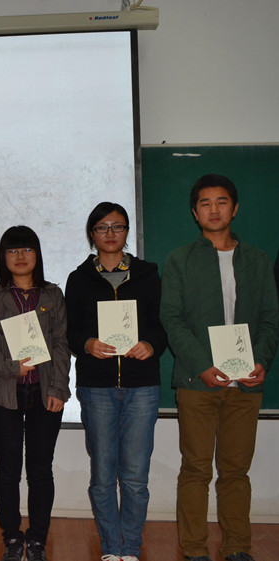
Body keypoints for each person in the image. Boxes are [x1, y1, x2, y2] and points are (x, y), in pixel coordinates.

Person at [160, 174, 278, 561]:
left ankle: (237, 547)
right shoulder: (179, 260)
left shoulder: (258, 260)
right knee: (195, 470)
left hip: (245, 384)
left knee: (235, 472)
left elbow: (270, 320)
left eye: (222, 202)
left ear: (235, 208)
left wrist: (261, 361)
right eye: (205, 203)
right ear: (195, 213)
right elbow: (172, 320)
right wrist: (202, 366)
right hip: (197, 382)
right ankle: (194, 549)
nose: (214, 209)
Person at [64, 202, 167, 561]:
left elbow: (162, 324)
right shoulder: (78, 278)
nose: (110, 233)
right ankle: (111, 547)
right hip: (96, 387)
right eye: (102, 227)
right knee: (103, 476)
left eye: (118, 226)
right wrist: (86, 344)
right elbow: (70, 331)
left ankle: (130, 547)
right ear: (92, 234)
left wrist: (151, 344)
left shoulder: (148, 274)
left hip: (142, 386)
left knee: (135, 477)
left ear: (127, 231)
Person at [0, 226, 70, 561]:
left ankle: (38, 538)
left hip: (45, 394)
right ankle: (13, 536)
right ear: (3, 257)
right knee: (8, 469)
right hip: (4, 394)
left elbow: (61, 344)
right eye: (12, 250)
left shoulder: (52, 294)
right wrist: (11, 367)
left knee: (41, 470)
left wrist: (58, 388)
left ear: (37, 254)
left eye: (26, 249)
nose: (20, 256)